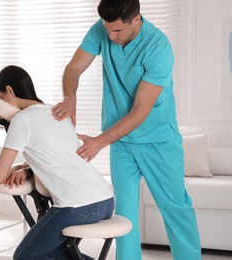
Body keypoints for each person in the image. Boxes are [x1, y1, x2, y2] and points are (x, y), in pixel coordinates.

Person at [51, 0, 201, 259]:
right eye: (107, 29)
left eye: (117, 31)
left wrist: (99, 142)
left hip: (158, 141)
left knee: (175, 208)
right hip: (121, 143)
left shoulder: (158, 47)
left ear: (136, 19)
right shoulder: (103, 28)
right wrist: (70, 98)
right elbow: (73, 68)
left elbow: (141, 110)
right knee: (124, 214)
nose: (110, 36)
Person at [0, 65, 114, 260]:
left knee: (25, 256)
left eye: (1, 98)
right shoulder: (58, 112)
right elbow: (60, 157)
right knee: (57, 251)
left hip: (77, 206)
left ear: (9, 90)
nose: (2, 104)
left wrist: (16, 168)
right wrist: (28, 168)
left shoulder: (21, 120)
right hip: (105, 200)